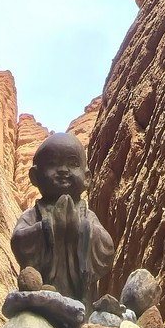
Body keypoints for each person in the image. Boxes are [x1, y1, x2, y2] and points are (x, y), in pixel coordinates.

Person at [10, 132, 115, 308]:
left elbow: (106, 248)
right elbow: (19, 241)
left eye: (73, 164)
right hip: (40, 300)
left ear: (86, 178)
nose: (63, 170)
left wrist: (82, 229)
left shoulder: (87, 215)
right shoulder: (33, 214)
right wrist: (46, 228)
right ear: (34, 176)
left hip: (81, 300)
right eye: (52, 164)